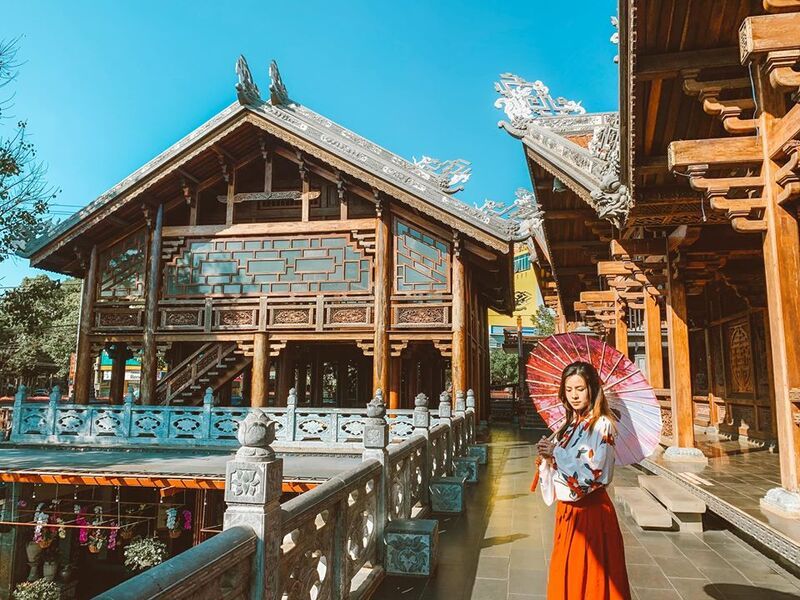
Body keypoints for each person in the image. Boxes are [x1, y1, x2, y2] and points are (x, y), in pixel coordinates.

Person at [534, 360, 631, 600]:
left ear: (592, 389)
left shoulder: (603, 425)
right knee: (566, 573)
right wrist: (549, 456)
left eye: (580, 389)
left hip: (591, 513)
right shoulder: (569, 425)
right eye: (568, 390)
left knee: (590, 579)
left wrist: (557, 454)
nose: (574, 396)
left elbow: (594, 473)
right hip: (567, 512)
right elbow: (564, 465)